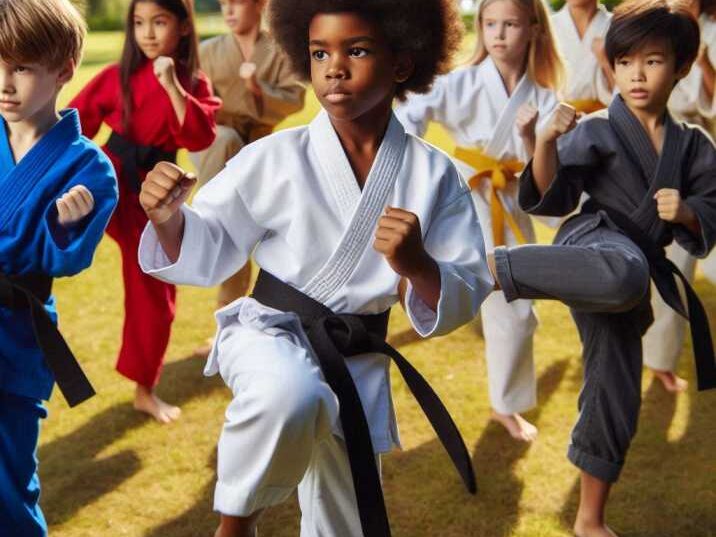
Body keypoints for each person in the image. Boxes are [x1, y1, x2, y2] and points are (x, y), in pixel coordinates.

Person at [138, 0, 494, 535]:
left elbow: (467, 282)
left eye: (356, 50)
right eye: (319, 52)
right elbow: (210, 241)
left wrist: (417, 265)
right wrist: (168, 220)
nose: (334, 67)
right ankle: (235, 524)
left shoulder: (434, 174)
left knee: (346, 520)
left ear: (402, 62)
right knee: (291, 395)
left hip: (355, 355)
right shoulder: (277, 157)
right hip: (270, 334)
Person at [487, 1, 716, 534]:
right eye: (626, 61)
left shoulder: (695, 146)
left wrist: (686, 211)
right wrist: (544, 141)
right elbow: (552, 193)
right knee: (625, 274)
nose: (637, 74)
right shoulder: (597, 128)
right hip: (595, 245)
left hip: (636, 263)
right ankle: (492, 267)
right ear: (611, 65)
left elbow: (712, 207)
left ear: (681, 66)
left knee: (615, 389)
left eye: (653, 61)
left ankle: (590, 520)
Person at [395, 0, 562, 442]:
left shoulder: (545, 98)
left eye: (510, 24)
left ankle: (505, 404)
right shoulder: (461, 82)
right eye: (490, 24)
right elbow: (408, 115)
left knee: (517, 310)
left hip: (510, 205)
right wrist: (424, 165)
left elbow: (545, 181)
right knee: (498, 304)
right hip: (464, 202)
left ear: (534, 29)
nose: (499, 34)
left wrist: (531, 139)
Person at [70, 0, 220, 423]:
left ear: (183, 28)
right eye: (139, 23)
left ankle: (144, 390)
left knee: (155, 290)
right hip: (105, 180)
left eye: (159, 21)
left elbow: (199, 136)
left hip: (152, 195)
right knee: (41, 242)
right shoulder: (117, 77)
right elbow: (72, 122)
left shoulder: (193, 83)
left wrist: (174, 85)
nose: (148, 33)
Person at [0, 0, 118, 533]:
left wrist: (62, 228)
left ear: (64, 70)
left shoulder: (89, 168)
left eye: (21, 66)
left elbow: (66, 259)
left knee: (8, 485)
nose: (5, 82)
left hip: (15, 335)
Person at [189, 0, 306, 356]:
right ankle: (207, 222)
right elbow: (194, 103)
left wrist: (257, 88)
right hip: (217, 147)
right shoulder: (208, 51)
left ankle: (265, 323)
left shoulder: (280, 51)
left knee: (264, 244)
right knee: (231, 238)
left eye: (236, 3)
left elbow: (295, 99)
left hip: (259, 148)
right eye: (223, 3)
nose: (228, 10)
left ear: (259, 6)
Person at [642, 0, 716, 392]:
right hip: (650, 152)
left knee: (688, 262)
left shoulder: (712, 28)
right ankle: (648, 356)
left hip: (697, 155)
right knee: (655, 266)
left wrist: (703, 64)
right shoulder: (650, 21)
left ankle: (660, 361)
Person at [551, 0, 614, 115]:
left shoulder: (615, 26)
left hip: (605, 120)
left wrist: (605, 62)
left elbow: (626, 91)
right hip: (557, 122)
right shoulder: (548, 27)